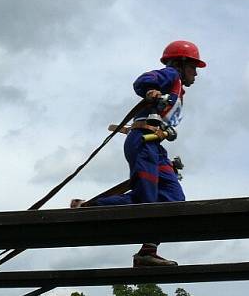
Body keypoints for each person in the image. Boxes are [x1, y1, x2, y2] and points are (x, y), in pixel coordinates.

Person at [77, 40, 206, 267]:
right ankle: (89, 210)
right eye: (193, 67)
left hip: (155, 147)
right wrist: (151, 91)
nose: (195, 74)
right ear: (181, 63)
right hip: (143, 142)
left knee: (174, 201)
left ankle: (147, 250)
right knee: (146, 200)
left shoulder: (177, 90)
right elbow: (143, 80)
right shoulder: (170, 75)